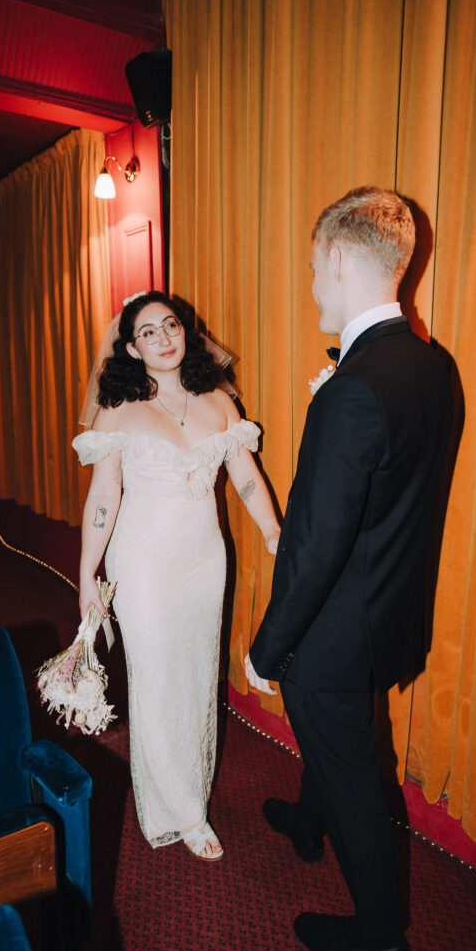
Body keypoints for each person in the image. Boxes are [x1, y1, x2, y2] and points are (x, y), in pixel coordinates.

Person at [245, 187, 454, 951]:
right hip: (390, 612)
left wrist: (270, 647)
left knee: (357, 777)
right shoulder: (430, 366)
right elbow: (394, 494)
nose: (309, 288)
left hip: (335, 630)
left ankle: (380, 940)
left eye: (309, 269)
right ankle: (306, 817)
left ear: (337, 258)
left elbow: (314, 544)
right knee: (346, 744)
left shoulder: (354, 390)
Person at [73, 291, 280, 861]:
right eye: (148, 332)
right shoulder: (118, 410)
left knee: (195, 676)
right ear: (133, 349)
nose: (164, 337)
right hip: (142, 562)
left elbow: (246, 477)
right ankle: (181, 811)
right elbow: (104, 496)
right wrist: (88, 572)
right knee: (158, 679)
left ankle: (191, 785)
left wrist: (270, 529)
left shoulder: (217, 403)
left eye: (171, 326)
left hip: (203, 560)